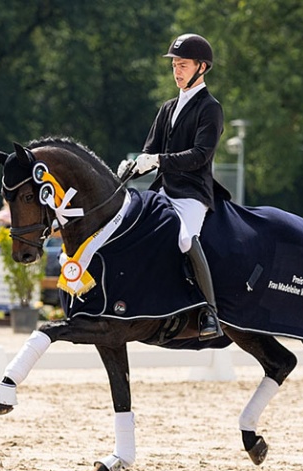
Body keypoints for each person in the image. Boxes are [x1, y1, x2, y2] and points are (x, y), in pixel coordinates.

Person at [121, 33, 224, 341]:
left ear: (201, 67)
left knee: (182, 239)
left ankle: (209, 311)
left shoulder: (210, 108)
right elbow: (149, 149)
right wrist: (132, 166)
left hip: (192, 193)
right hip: (162, 189)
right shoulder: (167, 108)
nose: (177, 71)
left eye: (183, 65)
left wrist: (158, 161)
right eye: (174, 66)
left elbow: (200, 155)